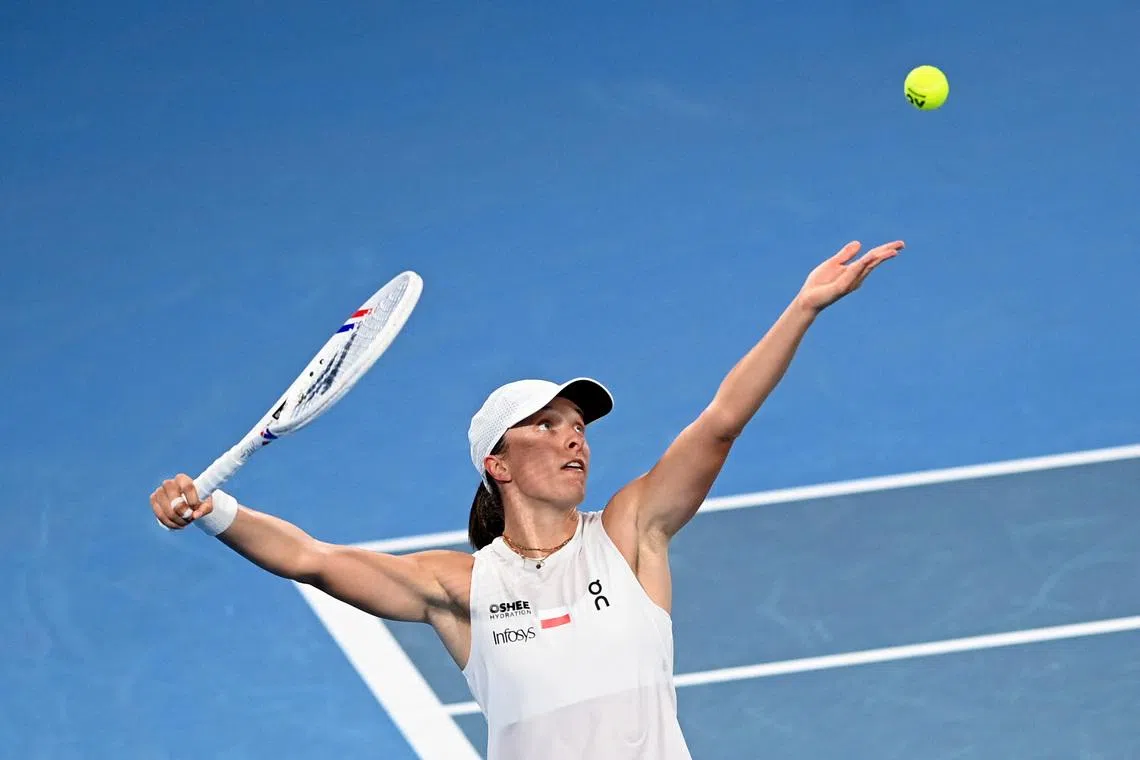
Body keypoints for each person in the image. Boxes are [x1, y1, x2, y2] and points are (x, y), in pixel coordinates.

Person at [151, 239, 902, 759]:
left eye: (578, 426)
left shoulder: (631, 534)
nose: (573, 438)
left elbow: (720, 423)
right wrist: (214, 511)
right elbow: (312, 559)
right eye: (546, 426)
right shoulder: (460, 589)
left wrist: (803, 309)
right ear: (497, 463)